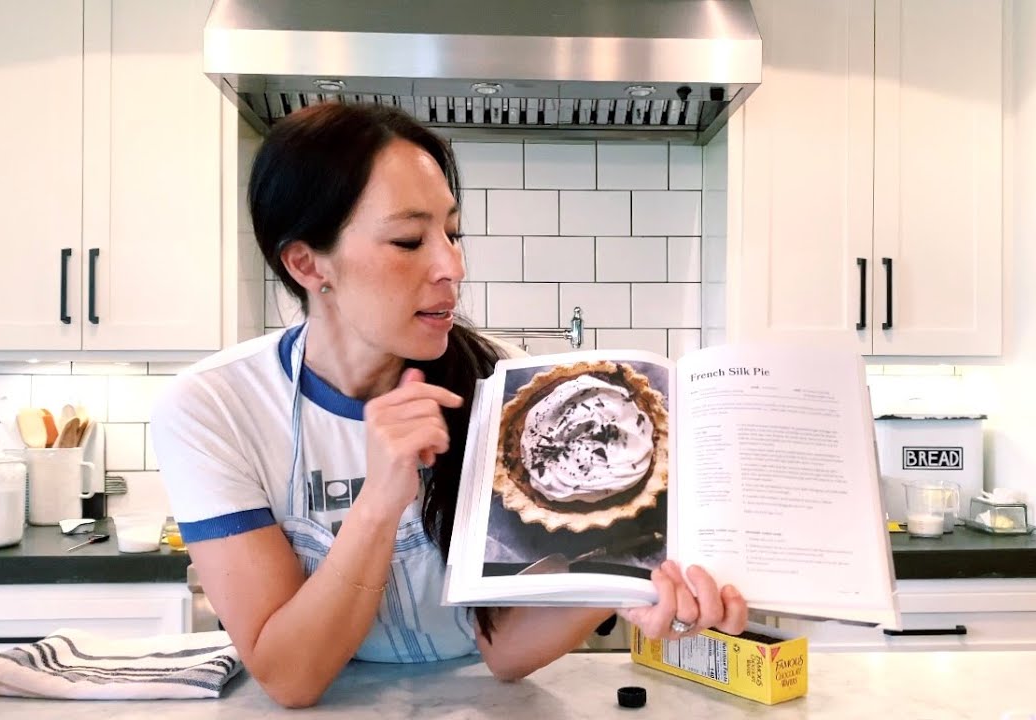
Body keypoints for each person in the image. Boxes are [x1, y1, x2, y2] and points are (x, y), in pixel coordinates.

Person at [150, 102, 748, 709]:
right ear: (307, 263)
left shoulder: (506, 393)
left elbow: (504, 650)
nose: (452, 267)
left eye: (452, 233)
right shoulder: (214, 409)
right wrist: (380, 502)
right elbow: (290, 676)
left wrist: (620, 575)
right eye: (409, 240)